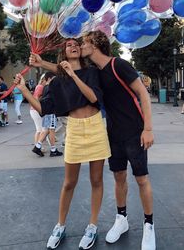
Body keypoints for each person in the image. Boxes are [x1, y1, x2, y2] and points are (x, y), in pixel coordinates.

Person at [29, 31, 155, 250]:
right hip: (109, 131)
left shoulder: (113, 67)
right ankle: (120, 219)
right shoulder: (87, 73)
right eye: (74, 44)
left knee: (140, 179)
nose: (79, 45)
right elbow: (65, 72)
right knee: (117, 177)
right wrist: (41, 64)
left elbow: (141, 94)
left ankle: (147, 226)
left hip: (129, 130)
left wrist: (148, 128)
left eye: (83, 42)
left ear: (93, 45)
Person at [15, 38, 111, 250]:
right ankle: (60, 225)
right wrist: (24, 90)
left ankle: (92, 226)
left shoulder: (92, 72)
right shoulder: (57, 82)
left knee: (96, 180)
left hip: (95, 126)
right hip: (75, 128)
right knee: (69, 182)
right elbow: (43, 108)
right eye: (68, 45)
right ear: (63, 53)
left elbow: (94, 97)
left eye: (76, 43)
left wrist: (73, 74)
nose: (73, 46)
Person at [32, 71, 63, 157]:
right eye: (54, 78)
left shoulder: (45, 87)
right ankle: (53, 150)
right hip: (51, 111)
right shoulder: (51, 87)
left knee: (46, 130)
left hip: (46, 112)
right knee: (51, 130)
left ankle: (37, 146)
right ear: (49, 78)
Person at [30, 74, 46, 145]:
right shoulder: (40, 87)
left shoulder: (39, 86)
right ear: (43, 80)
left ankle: (38, 145)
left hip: (34, 109)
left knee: (40, 129)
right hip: (36, 110)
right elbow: (37, 98)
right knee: (40, 130)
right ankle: (37, 146)